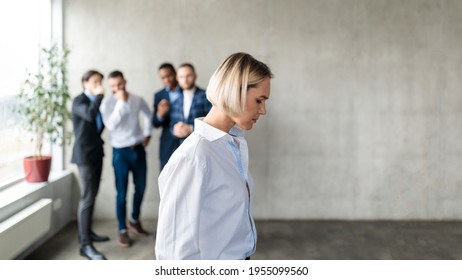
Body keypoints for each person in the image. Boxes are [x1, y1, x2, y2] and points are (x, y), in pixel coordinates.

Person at [155, 53, 273, 260]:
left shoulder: (231, 145)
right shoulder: (195, 156)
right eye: (259, 100)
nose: (263, 110)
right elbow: (173, 251)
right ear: (235, 92)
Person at [99, 70, 153, 248]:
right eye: (113, 86)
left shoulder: (137, 99)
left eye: (120, 84)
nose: (117, 88)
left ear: (125, 81)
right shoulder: (107, 103)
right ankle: (122, 229)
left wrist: (147, 133)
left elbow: (148, 114)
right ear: (109, 86)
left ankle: (134, 219)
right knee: (121, 193)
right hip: (120, 153)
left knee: (141, 187)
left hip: (138, 150)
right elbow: (111, 124)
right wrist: (121, 102)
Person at [71, 70, 110, 260]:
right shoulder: (79, 101)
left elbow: (98, 126)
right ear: (84, 83)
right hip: (84, 156)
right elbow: (89, 115)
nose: (98, 85)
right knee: (87, 198)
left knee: (92, 195)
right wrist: (100, 95)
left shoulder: (95, 101)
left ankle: (86, 233)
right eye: (94, 82)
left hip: (96, 154)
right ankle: (85, 245)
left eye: (99, 82)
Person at [170, 63, 212, 144]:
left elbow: (213, 122)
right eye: (181, 77)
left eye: (188, 75)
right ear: (177, 78)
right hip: (182, 146)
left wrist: (191, 128)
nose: (185, 80)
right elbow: (172, 123)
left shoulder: (206, 96)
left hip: (202, 144)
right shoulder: (176, 99)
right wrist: (175, 130)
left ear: (195, 76)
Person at [152, 63, 181, 170]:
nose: (167, 80)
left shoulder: (187, 90)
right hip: (167, 144)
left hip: (187, 140)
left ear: (175, 74)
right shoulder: (159, 95)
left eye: (169, 75)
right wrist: (160, 114)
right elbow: (154, 123)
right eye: (163, 78)